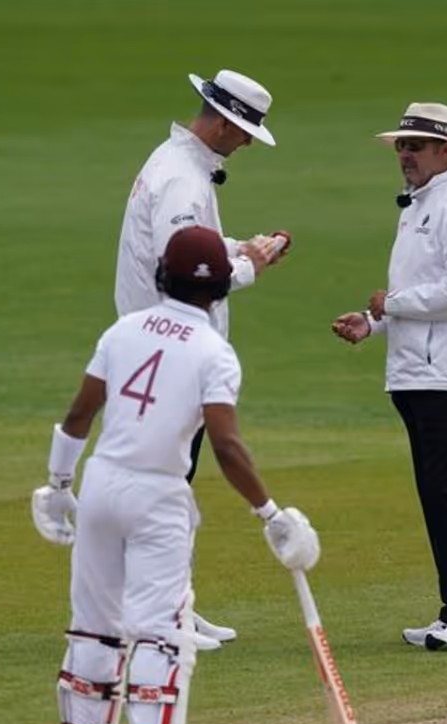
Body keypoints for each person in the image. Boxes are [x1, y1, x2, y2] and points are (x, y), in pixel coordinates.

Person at [31, 226, 320, 724]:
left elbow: (80, 414)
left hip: (102, 485)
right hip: (158, 495)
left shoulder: (123, 330)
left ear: (162, 276)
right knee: (161, 633)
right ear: (221, 288)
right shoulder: (214, 351)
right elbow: (227, 446)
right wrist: (269, 513)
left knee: (94, 623)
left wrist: (59, 484)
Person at [114, 68, 292, 643]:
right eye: (243, 132)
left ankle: (171, 604)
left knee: (174, 484)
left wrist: (239, 246)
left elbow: (192, 249)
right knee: (166, 488)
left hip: (163, 347)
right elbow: (183, 273)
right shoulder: (182, 180)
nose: (246, 144)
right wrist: (249, 267)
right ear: (221, 125)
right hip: (168, 350)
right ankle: (156, 615)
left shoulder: (178, 164)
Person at [331, 103, 447, 651]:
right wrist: (375, 321)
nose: (405, 154)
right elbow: (420, 291)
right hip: (418, 372)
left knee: (446, 490)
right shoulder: (420, 204)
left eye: (417, 146)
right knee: (436, 492)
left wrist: (394, 305)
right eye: (402, 145)